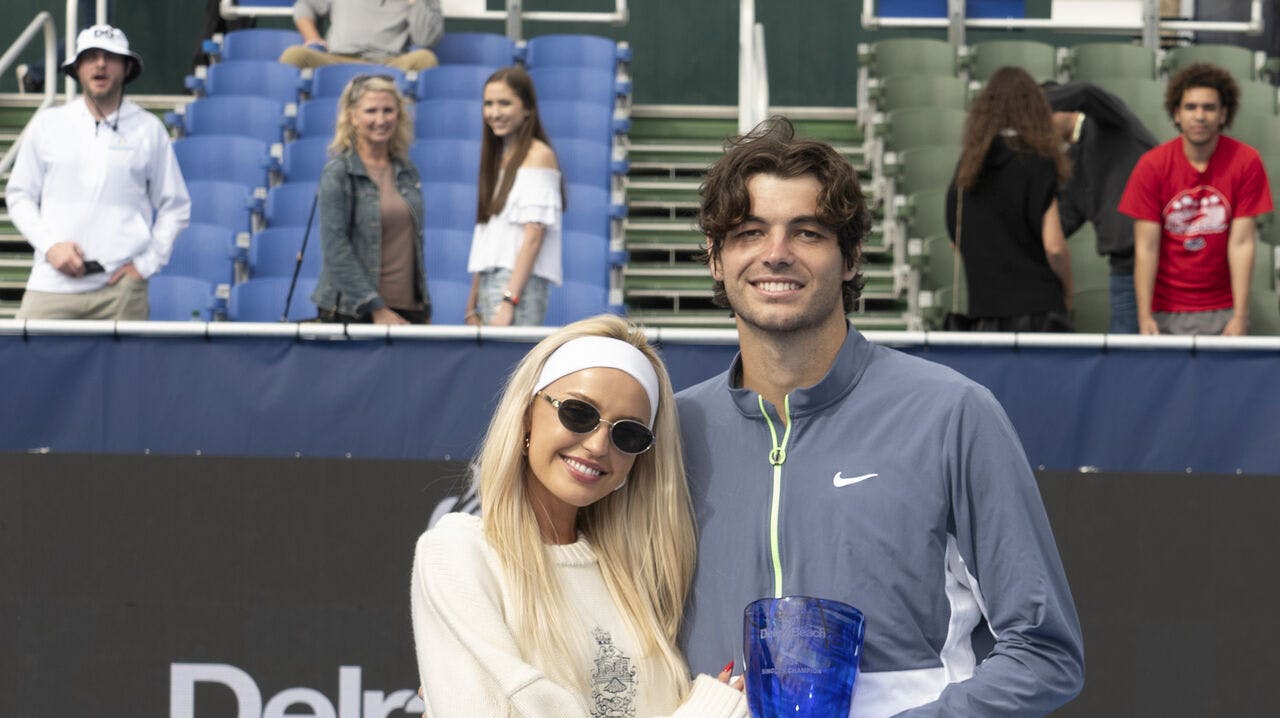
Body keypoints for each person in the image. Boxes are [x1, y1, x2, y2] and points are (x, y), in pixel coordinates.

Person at [678, 117, 1084, 716]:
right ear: (716, 258)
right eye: (748, 232)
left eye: (808, 232)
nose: (776, 253)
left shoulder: (953, 414)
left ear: (849, 257)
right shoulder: (673, 429)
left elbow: (1046, 653)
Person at [410, 315, 748, 717]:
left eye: (628, 434)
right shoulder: (458, 552)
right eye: (578, 412)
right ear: (526, 416)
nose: (598, 444)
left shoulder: (633, 582)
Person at [7, 24, 190, 321]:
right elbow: (18, 195)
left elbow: (176, 206)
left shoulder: (149, 129)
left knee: (126, 370)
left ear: (127, 67)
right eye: (91, 56)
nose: (100, 64)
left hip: (121, 293)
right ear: (77, 67)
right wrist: (51, 246)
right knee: (23, 366)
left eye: (111, 56)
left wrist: (145, 266)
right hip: (50, 285)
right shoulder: (47, 124)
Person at [1118, 63, 1273, 336]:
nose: (1199, 116)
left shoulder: (1246, 161)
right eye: (1190, 107)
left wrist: (1240, 315)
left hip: (1224, 310)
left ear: (1224, 114)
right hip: (1164, 311)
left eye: (1209, 108)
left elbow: (1242, 243)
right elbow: (1146, 247)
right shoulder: (1152, 165)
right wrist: (1144, 316)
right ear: (1176, 114)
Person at [945, 66, 1073, 332]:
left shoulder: (967, 167)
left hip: (983, 313)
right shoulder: (1039, 162)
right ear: (1035, 109)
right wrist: (1067, 292)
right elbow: (1055, 248)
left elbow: (955, 240)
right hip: (1040, 315)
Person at [311, 75, 430, 324]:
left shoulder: (407, 171)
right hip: (354, 312)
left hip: (407, 312)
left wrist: (422, 307)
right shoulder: (338, 172)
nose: (381, 119)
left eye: (388, 110)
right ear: (353, 117)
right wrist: (375, 308)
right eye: (371, 111)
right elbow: (336, 250)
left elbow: (414, 246)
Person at [1045, 81, 1158, 333]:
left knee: (1171, 358)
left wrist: (1031, 105)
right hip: (1123, 271)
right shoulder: (1071, 162)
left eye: (1043, 118)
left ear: (1064, 108)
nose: (1039, 129)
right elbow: (1065, 220)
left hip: (1164, 265)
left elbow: (1087, 92)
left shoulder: (1110, 124)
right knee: (1126, 362)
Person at [465, 66, 564, 326]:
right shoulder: (498, 158)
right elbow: (487, 237)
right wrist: (471, 304)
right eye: (488, 104)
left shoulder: (538, 155)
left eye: (504, 103)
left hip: (517, 288)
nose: (494, 112)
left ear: (527, 108)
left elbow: (534, 236)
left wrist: (509, 300)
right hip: (490, 283)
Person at [279, 0, 442, 72]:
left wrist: (416, 3)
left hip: (389, 64)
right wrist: (312, 38)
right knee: (294, 55)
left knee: (426, 58)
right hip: (336, 59)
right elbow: (304, 5)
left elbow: (424, 39)